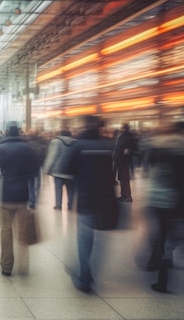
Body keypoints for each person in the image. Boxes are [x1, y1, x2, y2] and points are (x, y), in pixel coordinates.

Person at [142, 122, 184, 292]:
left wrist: (148, 201)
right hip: (179, 201)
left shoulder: (159, 148)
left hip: (159, 200)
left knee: (160, 235)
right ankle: (165, 258)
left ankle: (160, 268)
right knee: (169, 235)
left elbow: (152, 174)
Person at [68, 115, 118, 292]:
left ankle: (84, 276)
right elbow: (112, 173)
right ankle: (90, 273)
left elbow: (70, 170)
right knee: (100, 242)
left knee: (84, 238)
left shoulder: (78, 145)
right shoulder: (107, 146)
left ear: (84, 126)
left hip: (86, 198)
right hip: (105, 198)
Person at [0, 122, 39, 276]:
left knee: (6, 230)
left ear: (7, 132)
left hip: (7, 193)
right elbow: (34, 171)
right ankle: (24, 265)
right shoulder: (27, 148)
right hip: (22, 194)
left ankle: (6, 266)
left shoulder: (1, 147)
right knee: (23, 230)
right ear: (19, 132)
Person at [42, 129, 76, 210]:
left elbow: (51, 156)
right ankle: (70, 205)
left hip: (58, 170)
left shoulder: (56, 141)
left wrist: (46, 170)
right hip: (71, 170)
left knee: (58, 189)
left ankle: (58, 205)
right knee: (71, 189)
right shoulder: (75, 142)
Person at [113, 123, 135, 202]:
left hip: (122, 160)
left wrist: (118, 158)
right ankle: (123, 195)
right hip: (122, 160)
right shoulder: (128, 136)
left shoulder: (125, 137)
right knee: (122, 178)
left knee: (124, 178)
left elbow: (123, 150)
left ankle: (127, 196)